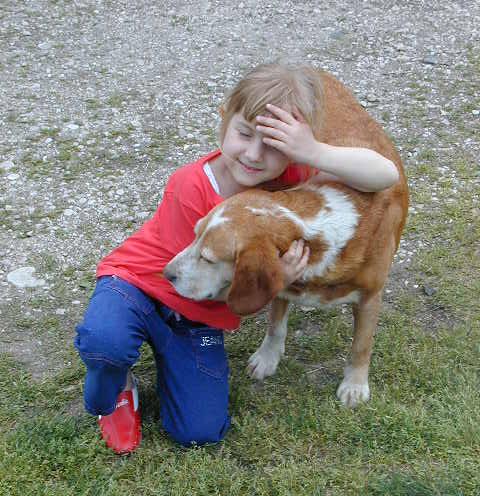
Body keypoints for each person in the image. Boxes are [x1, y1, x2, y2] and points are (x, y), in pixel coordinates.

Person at [74, 63, 399, 454]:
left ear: (294, 148)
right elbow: (183, 279)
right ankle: (116, 385)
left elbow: (385, 174)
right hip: (141, 283)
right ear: (224, 117)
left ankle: (169, 357)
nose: (254, 155)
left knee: (200, 432)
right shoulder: (189, 186)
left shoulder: (290, 177)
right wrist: (271, 281)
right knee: (105, 340)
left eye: (274, 145)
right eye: (244, 134)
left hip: (195, 316)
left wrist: (313, 151)